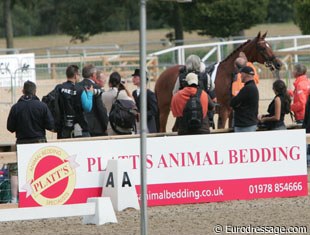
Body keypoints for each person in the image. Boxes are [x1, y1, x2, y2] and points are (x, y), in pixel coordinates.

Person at [7, 80, 54, 203]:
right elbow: (50, 125)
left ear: (23, 91)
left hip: (22, 142)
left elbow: (10, 128)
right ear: (35, 91)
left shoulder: (16, 107)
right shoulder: (42, 106)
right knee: (41, 169)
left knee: (18, 170)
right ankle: (42, 196)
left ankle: (14, 199)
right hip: (39, 141)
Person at [56, 64, 94, 139]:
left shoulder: (59, 88)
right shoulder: (80, 89)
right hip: (79, 126)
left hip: (63, 127)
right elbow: (87, 107)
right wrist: (90, 94)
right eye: (79, 75)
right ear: (75, 75)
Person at [78, 64, 108, 136]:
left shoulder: (78, 86)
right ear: (94, 75)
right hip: (96, 127)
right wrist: (106, 124)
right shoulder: (96, 87)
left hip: (81, 126)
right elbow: (100, 108)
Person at [230, 66, 259, 132]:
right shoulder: (253, 87)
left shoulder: (247, 88)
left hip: (244, 125)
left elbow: (233, 103)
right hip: (249, 123)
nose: (240, 77)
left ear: (245, 74)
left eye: (241, 74)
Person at [131, 68, 158, 133]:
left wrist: (142, 114)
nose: (133, 79)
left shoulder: (149, 94)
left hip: (148, 125)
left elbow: (154, 110)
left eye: (135, 77)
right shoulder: (134, 93)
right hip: (137, 125)